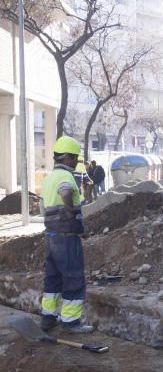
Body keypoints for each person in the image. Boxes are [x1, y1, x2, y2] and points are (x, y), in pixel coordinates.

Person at [39, 136, 93, 334]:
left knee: (52, 278)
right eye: (75, 159)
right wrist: (70, 212)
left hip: (51, 236)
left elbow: (43, 207)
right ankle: (70, 322)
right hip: (66, 237)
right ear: (68, 158)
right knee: (73, 277)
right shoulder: (66, 177)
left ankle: (48, 318)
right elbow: (65, 192)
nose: (75, 162)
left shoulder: (48, 178)